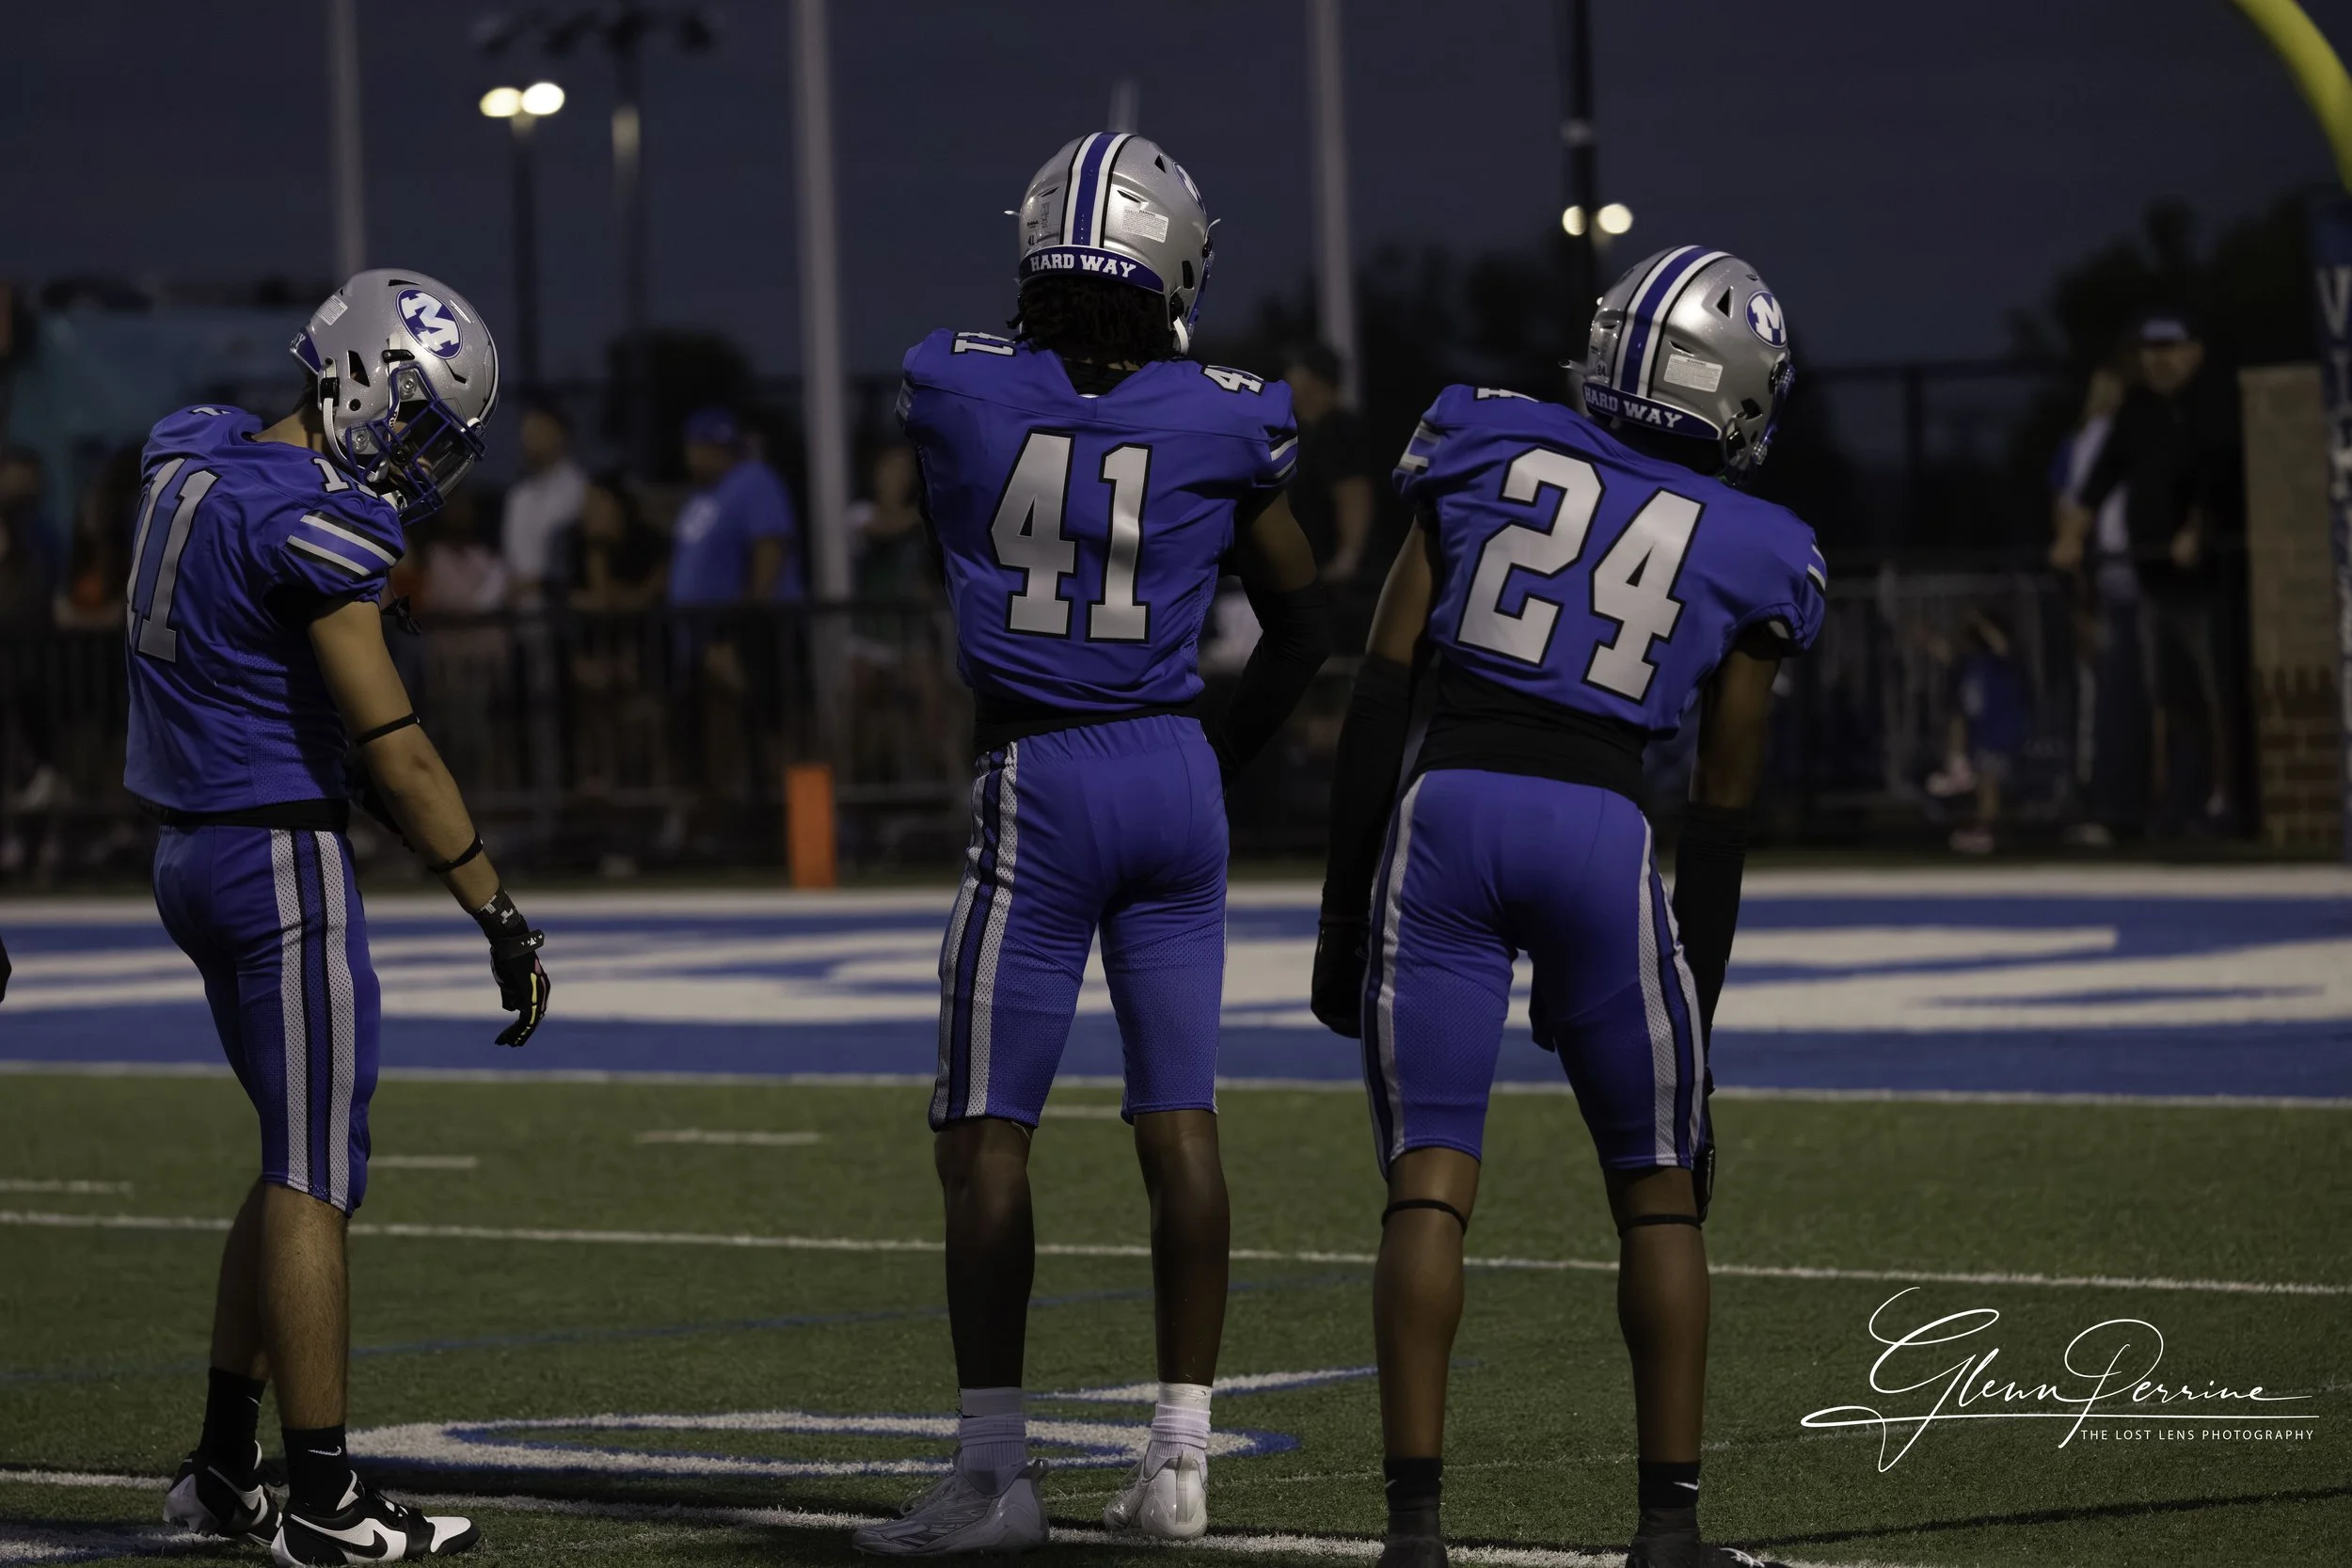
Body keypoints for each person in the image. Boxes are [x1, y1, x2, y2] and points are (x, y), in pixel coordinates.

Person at [853, 131, 1331, 1556]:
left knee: (986, 1132)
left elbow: (970, 469)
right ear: (1176, 260)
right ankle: (1180, 1456)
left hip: (1041, 773)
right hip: (1174, 775)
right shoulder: (1229, 414)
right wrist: (1215, 761)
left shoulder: (951, 382)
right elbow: (1305, 622)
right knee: (1179, 1119)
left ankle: (995, 1471)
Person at [1312, 246, 1824, 1568]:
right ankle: (1669, 1526)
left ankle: (1414, 1533)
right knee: (1658, 1193)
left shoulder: (1479, 436)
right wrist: (1691, 1010)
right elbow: (1722, 800)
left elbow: (1381, 690)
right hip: (1600, 826)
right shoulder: (1761, 543)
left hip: (1447, 806)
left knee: (1428, 1181)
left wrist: (1337, 912)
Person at [127, 269, 550, 1564]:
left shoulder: (187, 454)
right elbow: (400, 751)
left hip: (184, 852)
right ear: (364, 376)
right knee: (319, 1170)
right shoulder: (316, 522)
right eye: (418, 423)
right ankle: (324, 1497)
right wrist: (497, 906)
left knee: (284, 1152)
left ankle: (218, 1464)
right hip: (276, 861)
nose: (421, 464)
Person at [2055, 312, 2241, 831]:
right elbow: (2102, 476)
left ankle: (2226, 800)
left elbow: (2219, 474)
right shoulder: (2137, 411)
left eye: (2169, 348)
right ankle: (2189, 798)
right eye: (2149, 350)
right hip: (2153, 578)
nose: (2157, 359)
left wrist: (2197, 527)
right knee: (2171, 696)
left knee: (2217, 693)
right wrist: (2072, 532)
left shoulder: (2211, 404)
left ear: (2193, 352)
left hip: (2204, 582)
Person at [668, 408, 800, 608]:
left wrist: (751, 614)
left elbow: (769, 546)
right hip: (701, 627)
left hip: (741, 627)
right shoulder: (704, 492)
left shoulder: (754, 478)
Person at [1282, 341, 1380, 593]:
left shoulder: (1339, 429)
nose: (1288, 378)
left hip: (1341, 585)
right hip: (1314, 575)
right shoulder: (1304, 432)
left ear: (1312, 380)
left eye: (1295, 371)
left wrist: (1347, 560)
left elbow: (1353, 492)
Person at [498, 404, 587, 609]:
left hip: (561, 609)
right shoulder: (517, 496)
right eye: (526, 432)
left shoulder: (579, 489)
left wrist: (539, 584)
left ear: (561, 435)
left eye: (537, 431)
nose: (528, 440)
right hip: (519, 613)